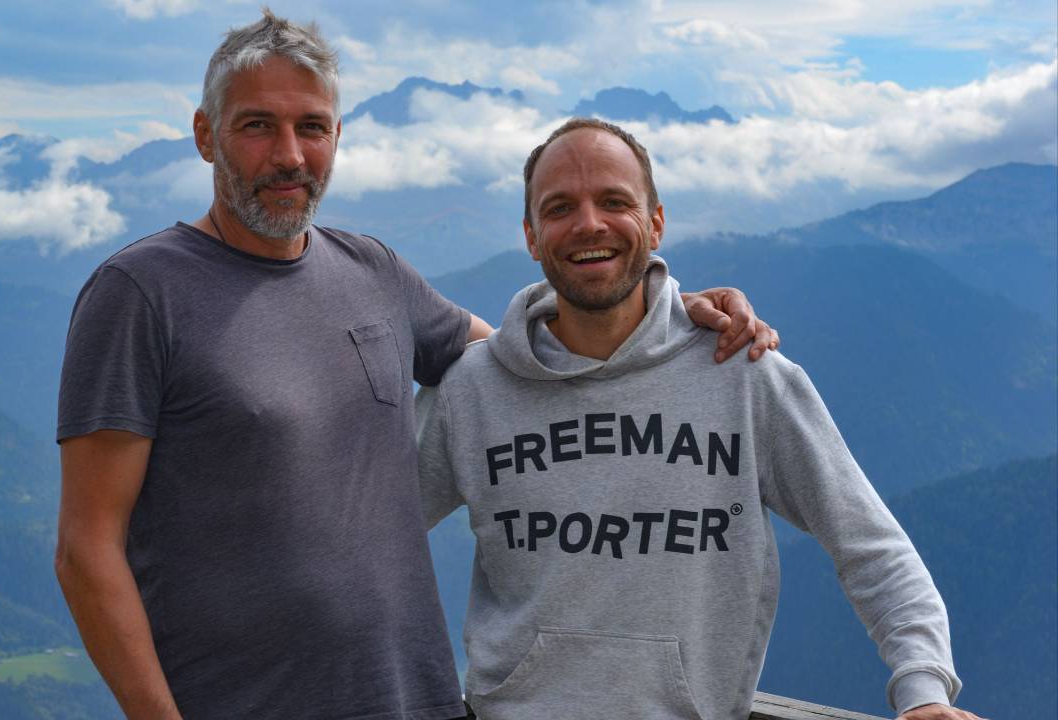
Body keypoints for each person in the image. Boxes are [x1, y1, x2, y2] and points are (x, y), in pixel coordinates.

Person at [53, 11, 776, 720]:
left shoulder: (373, 273)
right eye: (257, 126)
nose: (290, 156)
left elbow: (532, 362)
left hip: (415, 700)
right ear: (206, 135)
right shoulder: (141, 294)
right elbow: (87, 551)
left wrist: (659, 314)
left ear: (338, 136)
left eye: (312, 127)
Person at [416, 118, 981, 720]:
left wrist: (923, 690)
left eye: (614, 201)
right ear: (532, 236)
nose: (589, 224)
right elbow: (362, 535)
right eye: (560, 208)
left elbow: (869, 544)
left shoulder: (743, 374)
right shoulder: (471, 392)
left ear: (655, 222)